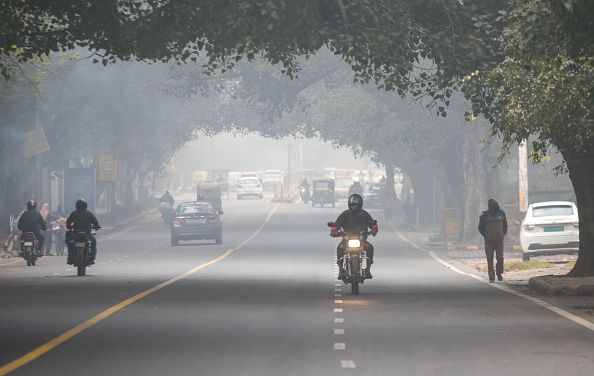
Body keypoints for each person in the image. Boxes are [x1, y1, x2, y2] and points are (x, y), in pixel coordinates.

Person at [330, 194, 378, 279]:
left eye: (357, 205)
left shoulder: (364, 214)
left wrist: (374, 229)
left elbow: (372, 223)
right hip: (347, 239)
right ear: (349, 205)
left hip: (361, 240)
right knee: (340, 248)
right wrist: (334, 230)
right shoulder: (345, 214)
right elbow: (337, 224)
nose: (355, 207)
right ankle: (341, 270)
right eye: (353, 205)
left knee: (369, 247)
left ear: (361, 205)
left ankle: (368, 269)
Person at [478, 199, 508, 282]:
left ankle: (499, 273)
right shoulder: (484, 216)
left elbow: (505, 225)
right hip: (489, 242)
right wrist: (486, 235)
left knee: (500, 258)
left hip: (499, 241)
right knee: (489, 260)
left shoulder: (501, 214)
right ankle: (491, 276)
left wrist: (503, 233)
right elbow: (480, 227)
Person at [66, 199, 101, 265]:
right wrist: (97, 226)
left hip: (75, 233)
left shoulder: (74, 213)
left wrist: (69, 226)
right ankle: (92, 256)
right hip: (87, 233)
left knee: (69, 242)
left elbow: (68, 222)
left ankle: (70, 256)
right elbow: (95, 222)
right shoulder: (89, 213)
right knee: (93, 242)